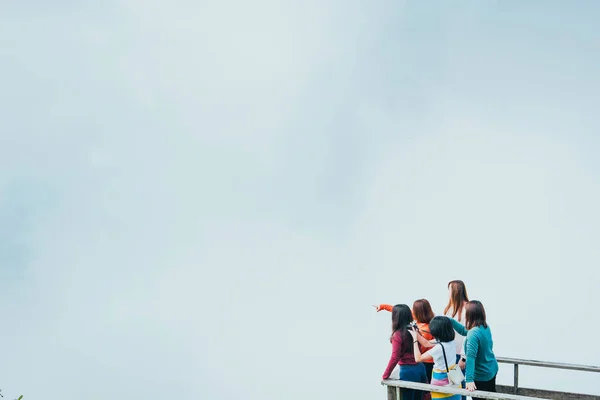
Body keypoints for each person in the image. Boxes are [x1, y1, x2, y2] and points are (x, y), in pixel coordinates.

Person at [449, 301, 498, 400]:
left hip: (481, 375)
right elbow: (464, 331)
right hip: (491, 368)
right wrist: (450, 321)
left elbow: (471, 358)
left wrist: (469, 380)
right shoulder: (484, 326)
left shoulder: (473, 334)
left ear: (470, 315)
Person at [381, 304, 429, 400]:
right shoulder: (414, 329)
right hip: (420, 368)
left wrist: (385, 375)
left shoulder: (398, 335)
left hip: (408, 371)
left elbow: (395, 357)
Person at [411, 316, 462, 400]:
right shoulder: (450, 341)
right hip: (454, 376)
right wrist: (416, 332)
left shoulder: (439, 348)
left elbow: (418, 358)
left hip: (442, 380)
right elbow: (426, 343)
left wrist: (415, 340)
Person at [443, 280, 469, 399]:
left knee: (461, 385)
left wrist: (464, 357)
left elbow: (468, 335)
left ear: (455, 291)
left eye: (449, 290)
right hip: (451, 353)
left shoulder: (467, 309)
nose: (448, 293)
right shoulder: (450, 307)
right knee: (454, 384)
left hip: (461, 355)